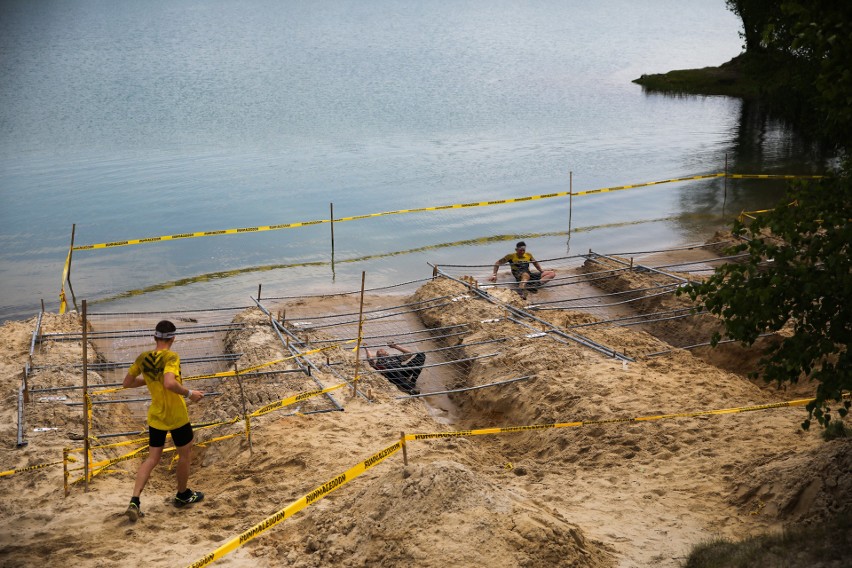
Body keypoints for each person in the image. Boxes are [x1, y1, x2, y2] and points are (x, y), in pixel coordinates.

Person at [122, 320, 205, 521]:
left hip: (156, 416)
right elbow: (169, 382)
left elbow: (127, 383)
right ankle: (183, 495)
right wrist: (190, 393)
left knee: (152, 459)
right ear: (173, 338)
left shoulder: (143, 357)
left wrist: (150, 380)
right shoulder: (171, 357)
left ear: (155, 337)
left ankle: (134, 500)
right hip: (176, 416)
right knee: (184, 455)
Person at [488, 241, 556, 299]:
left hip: (528, 274)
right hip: (518, 275)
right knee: (525, 275)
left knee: (551, 273)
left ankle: (534, 285)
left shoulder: (528, 255)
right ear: (516, 249)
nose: (522, 252)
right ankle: (520, 291)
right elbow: (497, 263)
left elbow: (535, 263)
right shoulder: (510, 256)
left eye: (524, 250)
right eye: (520, 250)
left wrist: (541, 271)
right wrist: (494, 274)